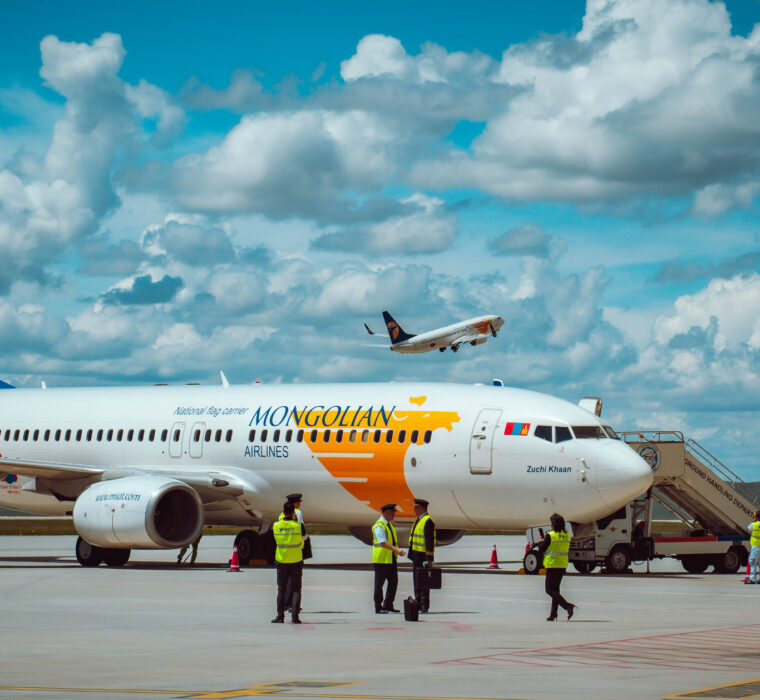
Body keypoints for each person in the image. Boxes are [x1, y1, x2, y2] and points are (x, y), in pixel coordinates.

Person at [536, 513, 576, 621]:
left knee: (549, 590)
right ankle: (553, 614)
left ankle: (567, 606)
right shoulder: (567, 535)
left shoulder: (551, 535)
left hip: (552, 564)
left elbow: (542, 548)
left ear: (553, 524)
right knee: (555, 590)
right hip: (562, 564)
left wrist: (541, 541)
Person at [272, 502, 304, 624]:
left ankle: (280, 616)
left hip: (281, 560)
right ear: (293, 513)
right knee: (296, 589)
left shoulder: (276, 525)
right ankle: (295, 617)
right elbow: (304, 538)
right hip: (296, 560)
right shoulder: (298, 526)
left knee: (281, 589)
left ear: (283, 512)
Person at [372, 503, 405, 613]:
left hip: (390, 558)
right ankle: (378, 606)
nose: (394, 515)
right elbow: (382, 542)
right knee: (379, 584)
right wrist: (397, 550)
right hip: (381, 559)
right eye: (392, 513)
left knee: (393, 582)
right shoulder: (379, 525)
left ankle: (388, 604)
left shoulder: (389, 525)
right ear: (385, 513)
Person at [279, 493, 310, 609]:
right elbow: (301, 531)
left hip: (282, 553)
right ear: (295, 503)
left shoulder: (280, 516)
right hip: (296, 551)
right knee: (294, 583)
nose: (299, 504)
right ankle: (292, 604)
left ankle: (283, 606)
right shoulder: (297, 513)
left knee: (283, 584)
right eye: (298, 502)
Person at [409, 498, 436, 613]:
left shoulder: (427, 521)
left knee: (424, 582)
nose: (414, 509)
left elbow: (429, 541)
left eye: (416, 507)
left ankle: (424, 606)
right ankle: (418, 603)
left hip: (423, 556)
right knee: (417, 581)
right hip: (416, 555)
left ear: (423, 508)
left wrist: (429, 559)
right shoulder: (419, 520)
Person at [747, 511, 760, 584]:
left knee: (753, 563)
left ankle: (752, 579)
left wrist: (754, 521)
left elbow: (747, 529)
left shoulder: (753, 525)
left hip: (755, 547)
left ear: (757, 517)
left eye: (754, 516)